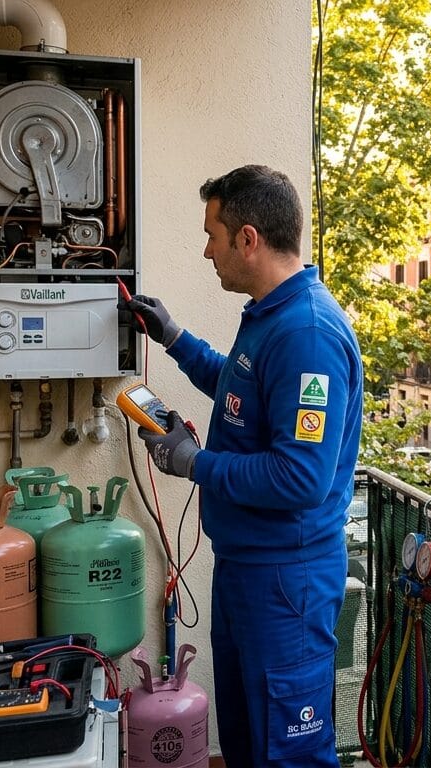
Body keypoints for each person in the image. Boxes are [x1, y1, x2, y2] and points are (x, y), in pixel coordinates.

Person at [125, 165, 362, 767]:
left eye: (214, 234)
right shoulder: (269, 314)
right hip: (246, 569)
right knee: (247, 738)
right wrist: (173, 337)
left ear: (248, 239)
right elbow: (236, 389)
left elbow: (300, 478)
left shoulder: (307, 334)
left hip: (287, 582)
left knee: (289, 751)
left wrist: (194, 463)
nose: (207, 251)